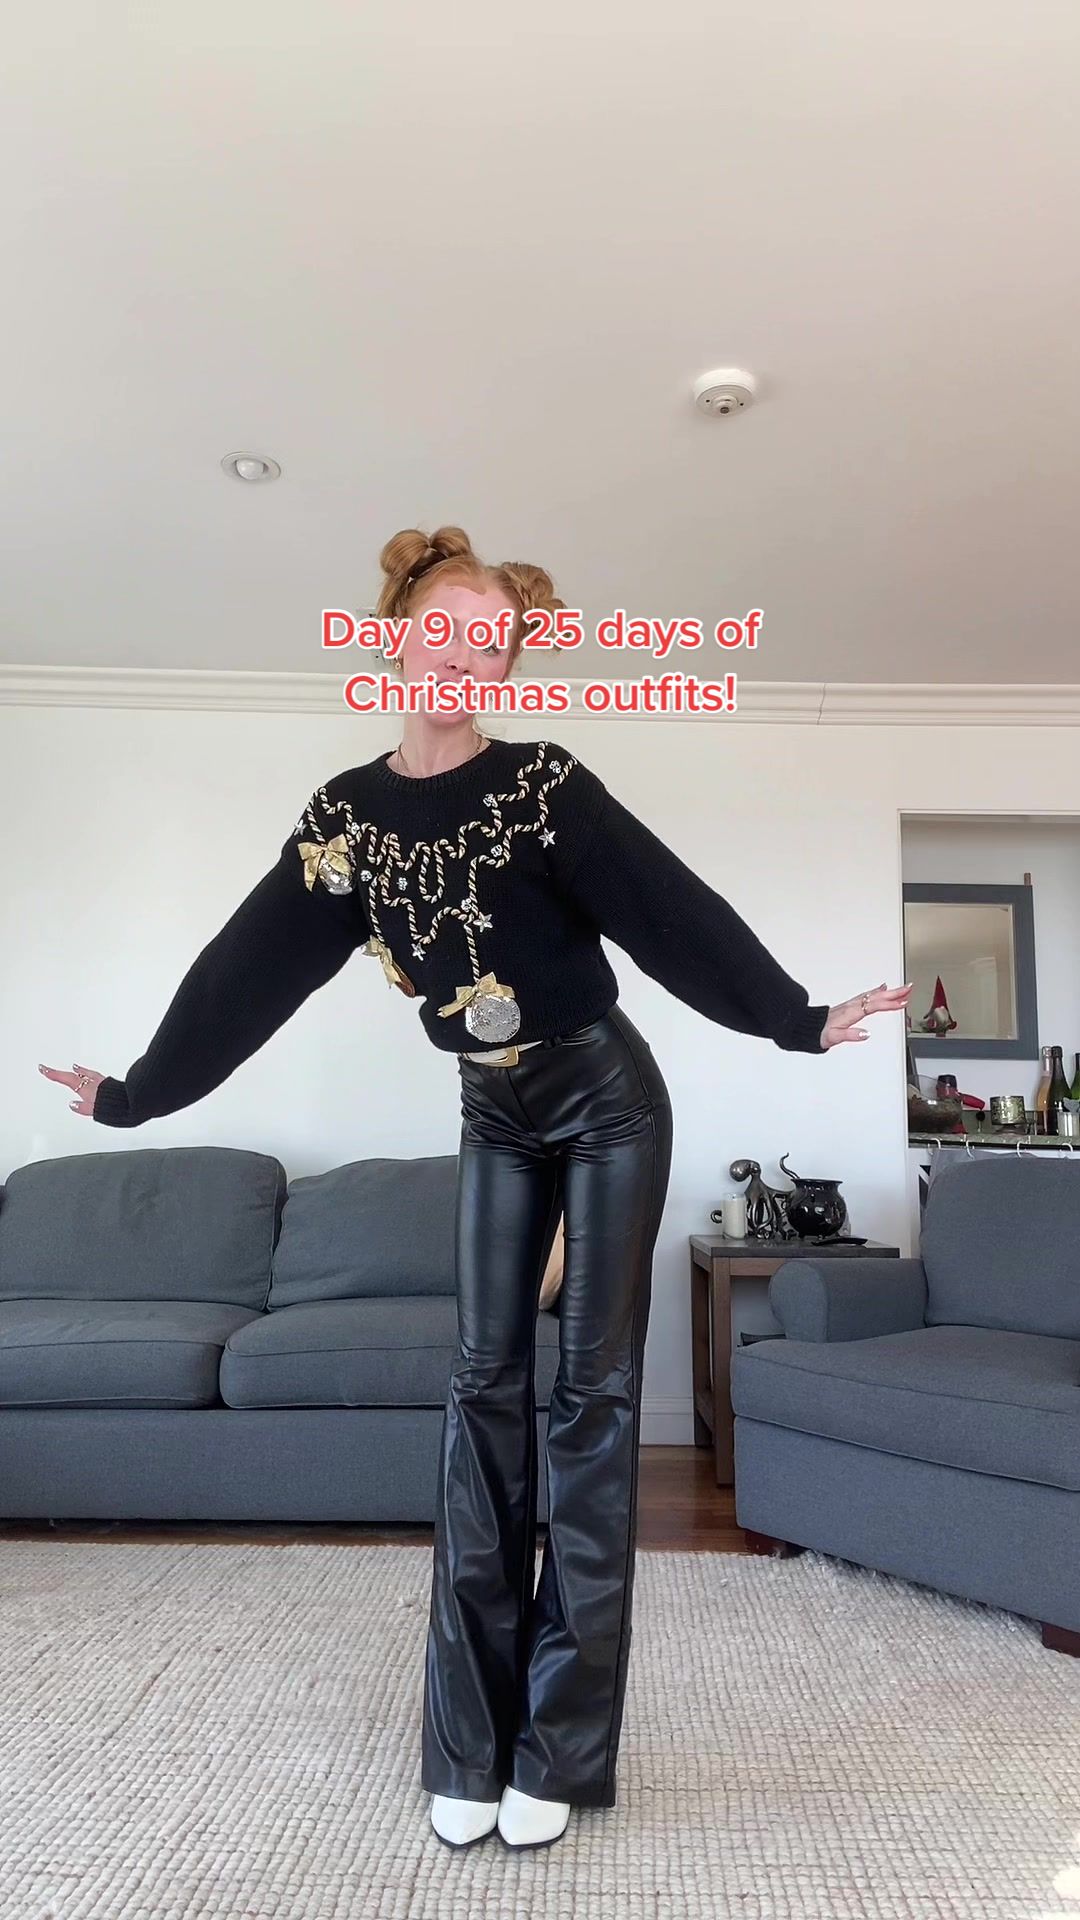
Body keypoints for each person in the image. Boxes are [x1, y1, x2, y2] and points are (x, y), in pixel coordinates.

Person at [39, 525, 912, 1853]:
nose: (464, 653)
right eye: (444, 627)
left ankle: (555, 1752)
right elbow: (248, 969)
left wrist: (794, 1018)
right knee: (480, 1392)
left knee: (590, 1401)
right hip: (494, 1113)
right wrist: (137, 1093)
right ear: (397, 636)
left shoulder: (542, 785)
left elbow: (668, 911)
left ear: (504, 664)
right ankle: (467, 1740)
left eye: (490, 640)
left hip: (608, 1104)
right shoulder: (345, 823)